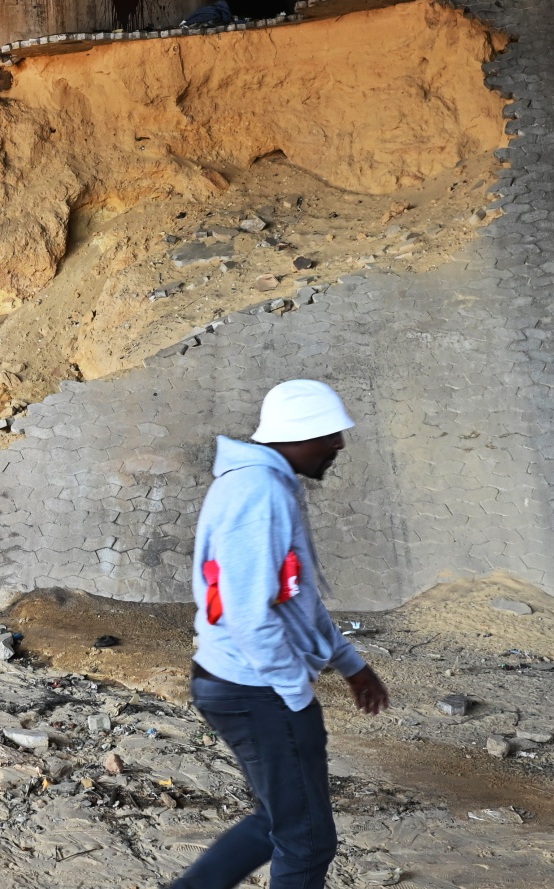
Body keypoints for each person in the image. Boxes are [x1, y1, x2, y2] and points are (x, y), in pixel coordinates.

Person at [169, 379, 390, 889]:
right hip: (256, 690)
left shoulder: (267, 483)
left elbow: (296, 600)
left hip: (239, 684)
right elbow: (249, 615)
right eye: (328, 433)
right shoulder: (258, 491)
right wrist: (293, 691)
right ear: (296, 435)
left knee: (280, 822)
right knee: (307, 838)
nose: (338, 444)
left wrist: (351, 665)